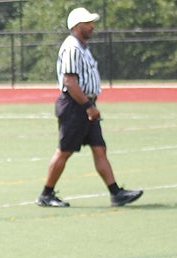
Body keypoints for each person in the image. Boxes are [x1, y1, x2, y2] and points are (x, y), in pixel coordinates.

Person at [36, 7, 143, 207]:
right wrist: (88, 106)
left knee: (99, 148)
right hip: (75, 105)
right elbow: (70, 81)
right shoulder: (72, 48)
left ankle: (115, 192)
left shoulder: (82, 47)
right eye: (88, 23)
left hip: (86, 104)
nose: (92, 26)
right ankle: (46, 194)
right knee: (65, 150)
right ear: (76, 26)